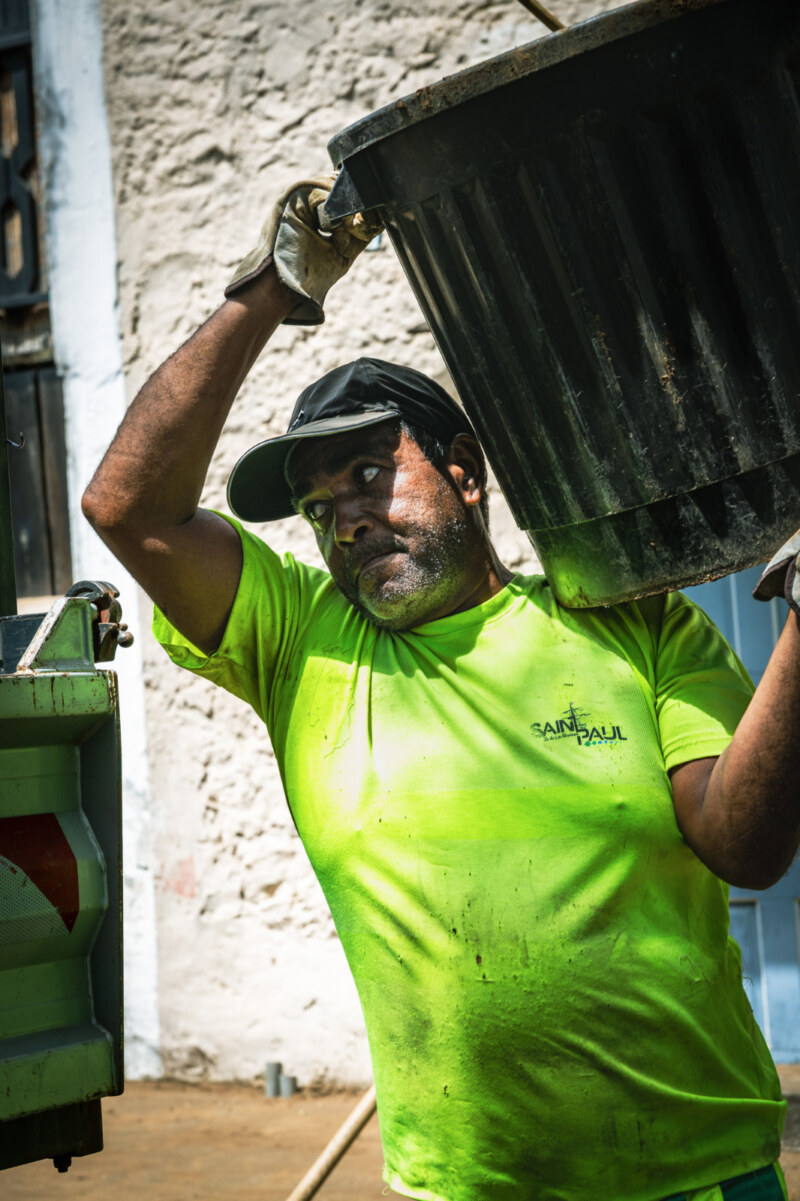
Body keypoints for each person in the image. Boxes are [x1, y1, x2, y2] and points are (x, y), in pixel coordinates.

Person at [83, 178, 800, 1201]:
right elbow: (127, 507)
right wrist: (271, 290)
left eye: (368, 475)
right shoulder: (300, 644)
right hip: (464, 1185)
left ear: (464, 473)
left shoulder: (630, 623)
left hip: (697, 1176)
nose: (344, 520)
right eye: (319, 508)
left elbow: (746, 845)